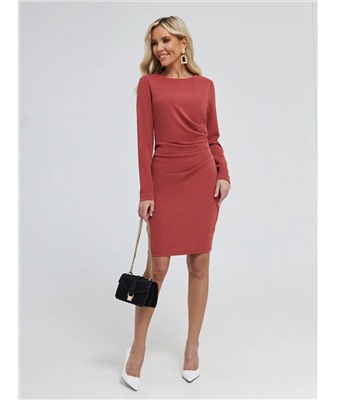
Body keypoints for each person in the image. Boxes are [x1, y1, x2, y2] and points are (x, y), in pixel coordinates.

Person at [121, 16, 231, 391]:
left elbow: (212, 138)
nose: (159, 48)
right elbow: (144, 143)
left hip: (202, 180)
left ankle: (192, 345)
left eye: (166, 40)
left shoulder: (205, 85)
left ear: (183, 43)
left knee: (199, 264)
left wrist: (223, 172)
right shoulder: (149, 85)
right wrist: (146, 192)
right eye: (155, 42)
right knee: (158, 267)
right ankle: (138, 347)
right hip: (165, 179)